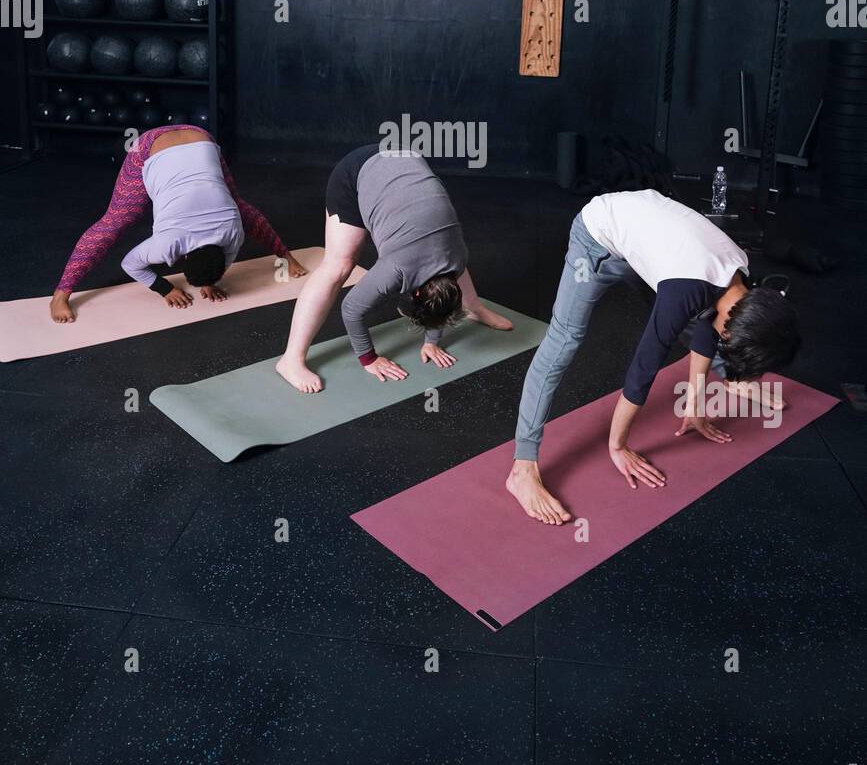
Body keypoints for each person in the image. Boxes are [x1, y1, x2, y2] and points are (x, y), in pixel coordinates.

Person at [507, 189, 801, 525]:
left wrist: (695, 402)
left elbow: (709, 322)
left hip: (650, 242)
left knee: (695, 318)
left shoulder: (739, 278)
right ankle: (522, 468)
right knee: (564, 340)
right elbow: (641, 372)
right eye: (730, 342)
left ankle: (731, 376)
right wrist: (617, 446)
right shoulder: (686, 290)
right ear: (732, 332)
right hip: (596, 239)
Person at [276, 144, 512, 393]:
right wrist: (369, 359)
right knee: (339, 264)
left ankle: (472, 307)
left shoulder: (458, 255)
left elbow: (446, 284)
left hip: (401, 160)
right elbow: (351, 310)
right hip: (356, 172)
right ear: (416, 294)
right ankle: (291, 359)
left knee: (451, 261)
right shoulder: (396, 269)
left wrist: (431, 342)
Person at [50, 125, 305, 322]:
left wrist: (208, 281)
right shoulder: (168, 244)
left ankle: (287, 257)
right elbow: (130, 263)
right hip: (150, 146)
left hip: (201, 139)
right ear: (180, 256)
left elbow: (227, 247)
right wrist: (165, 288)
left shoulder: (232, 233)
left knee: (239, 205)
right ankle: (60, 295)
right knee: (115, 221)